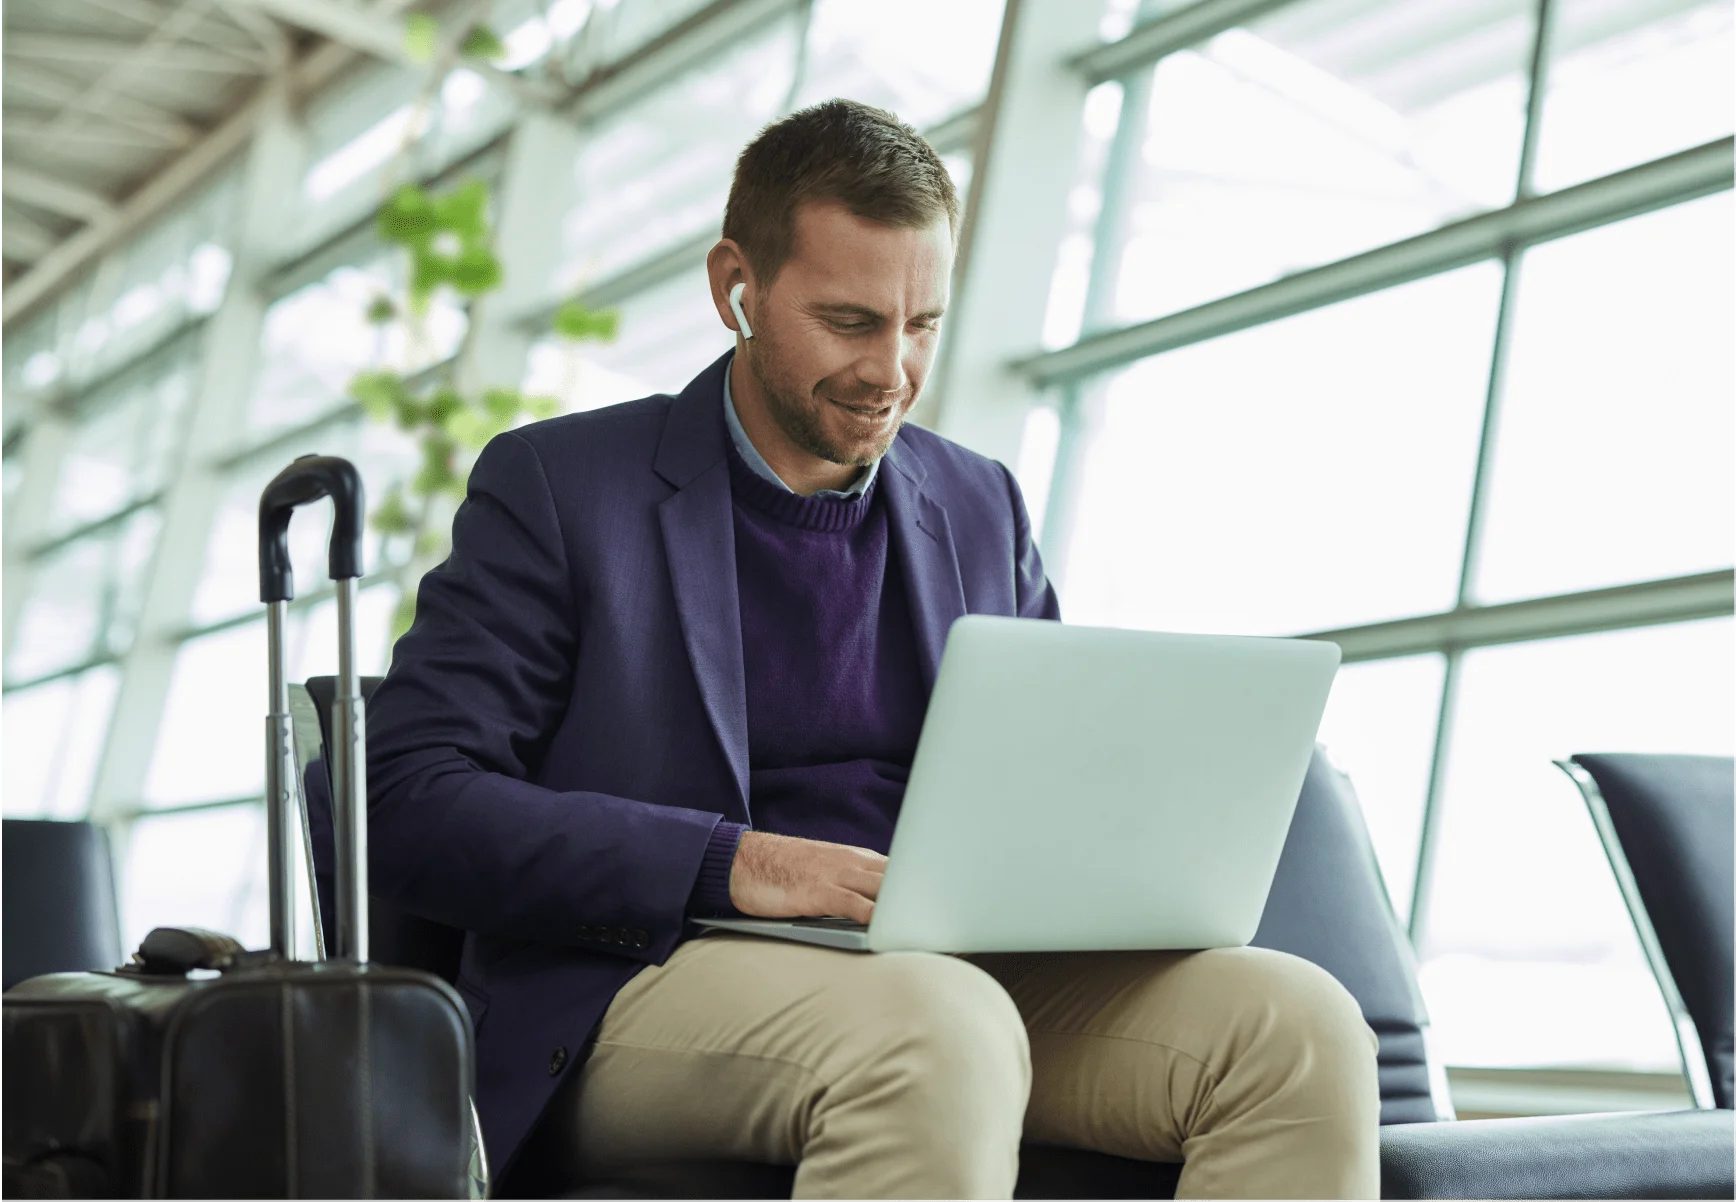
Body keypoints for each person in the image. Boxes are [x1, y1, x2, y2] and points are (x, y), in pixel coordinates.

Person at [366, 98, 1379, 1200]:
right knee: (937, 1026)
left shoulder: (977, 502)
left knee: (1295, 1024)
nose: (890, 369)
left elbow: (1046, 767)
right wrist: (738, 861)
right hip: (645, 975)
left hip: (937, 967)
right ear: (734, 289)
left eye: (922, 324)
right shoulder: (563, 488)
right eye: (849, 321)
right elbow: (409, 799)